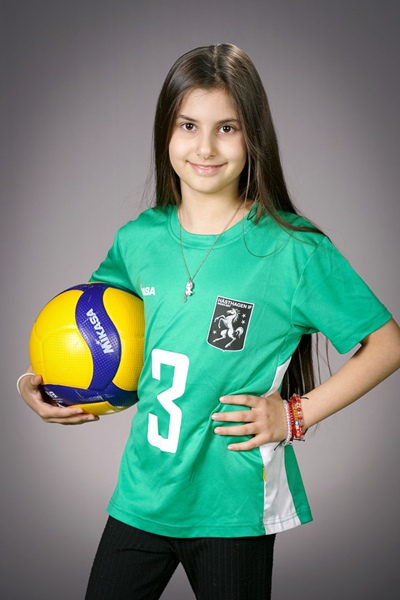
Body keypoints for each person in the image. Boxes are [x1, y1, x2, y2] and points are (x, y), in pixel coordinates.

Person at [17, 44, 400, 600]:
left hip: (233, 507)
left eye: (227, 128)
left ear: (254, 137)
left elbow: (387, 344)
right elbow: (88, 336)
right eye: (188, 125)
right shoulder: (138, 240)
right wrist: (42, 385)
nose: (205, 147)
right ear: (165, 132)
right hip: (142, 495)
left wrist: (293, 415)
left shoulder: (293, 250)